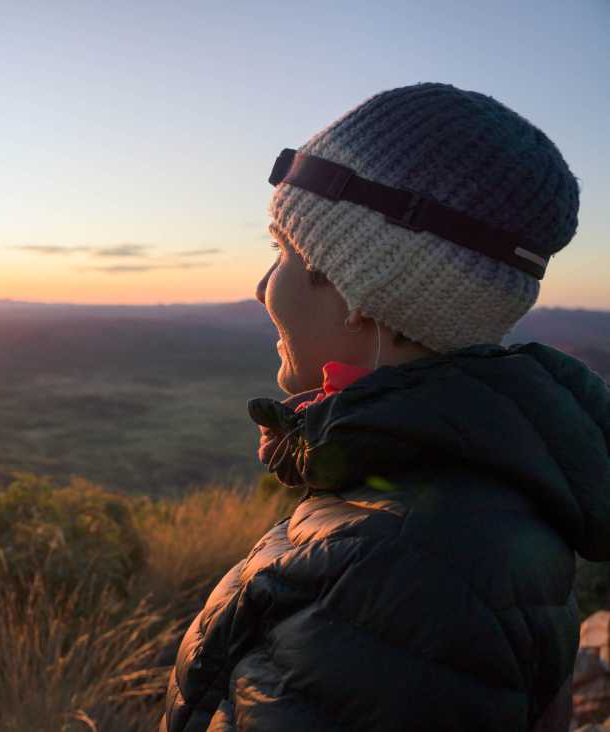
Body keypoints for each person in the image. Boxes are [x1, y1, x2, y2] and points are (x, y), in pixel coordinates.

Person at [160, 82, 609, 731]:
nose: (262, 287)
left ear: (362, 293)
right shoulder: (460, 498)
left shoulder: (407, 571)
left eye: (283, 251)